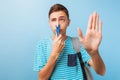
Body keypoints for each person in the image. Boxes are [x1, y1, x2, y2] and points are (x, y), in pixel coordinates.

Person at [33, 3, 106, 80]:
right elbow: (41, 78)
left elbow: (101, 71)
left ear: (68, 22)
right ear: (49, 23)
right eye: (53, 20)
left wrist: (94, 53)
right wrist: (54, 55)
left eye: (62, 19)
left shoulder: (78, 43)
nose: (57, 24)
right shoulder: (42, 45)